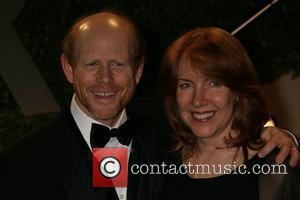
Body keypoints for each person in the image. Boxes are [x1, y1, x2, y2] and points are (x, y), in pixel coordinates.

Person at [0, 11, 298, 200]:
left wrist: (278, 135)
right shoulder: (21, 164)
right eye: (92, 65)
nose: (106, 79)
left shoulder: (167, 122)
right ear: (68, 68)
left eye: (118, 64)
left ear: (138, 70)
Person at [160, 27, 300, 200]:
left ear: (238, 91)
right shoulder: (161, 157)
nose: (198, 100)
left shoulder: (274, 170)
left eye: (214, 83)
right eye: (186, 85)